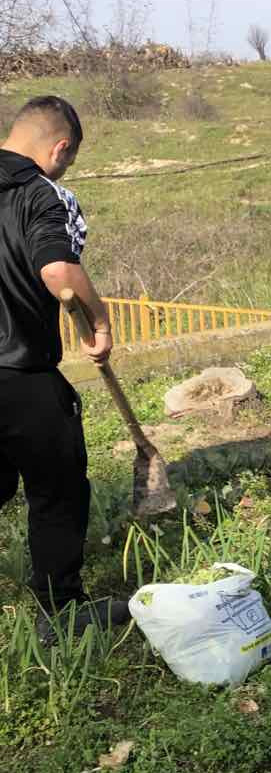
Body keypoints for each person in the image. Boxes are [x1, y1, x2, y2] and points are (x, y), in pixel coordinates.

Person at [0, 95, 127, 632]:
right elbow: (58, 271)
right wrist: (98, 321)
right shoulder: (42, 194)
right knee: (58, 488)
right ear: (60, 148)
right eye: (68, 160)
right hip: (19, 378)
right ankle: (62, 608)